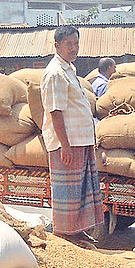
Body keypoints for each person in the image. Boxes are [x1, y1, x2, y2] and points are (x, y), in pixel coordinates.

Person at [41, 25, 101, 247]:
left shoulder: (68, 70)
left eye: (76, 43)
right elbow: (55, 111)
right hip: (68, 143)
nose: (74, 48)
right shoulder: (55, 73)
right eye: (68, 44)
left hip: (81, 140)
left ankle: (77, 231)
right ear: (57, 46)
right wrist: (64, 146)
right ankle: (65, 234)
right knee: (68, 192)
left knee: (82, 190)